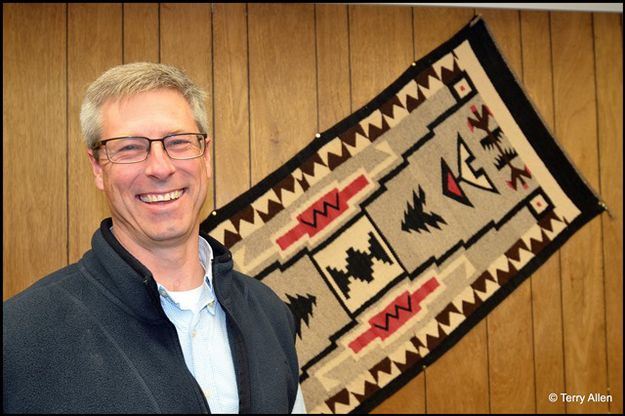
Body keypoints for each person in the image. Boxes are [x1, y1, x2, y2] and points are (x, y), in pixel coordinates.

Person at [3, 62, 306, 414]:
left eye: (178, 142)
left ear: (205, 155)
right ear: (98, 167)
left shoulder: (269, 314)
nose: (160, 168)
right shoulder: (20, 337)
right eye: (130, 148)